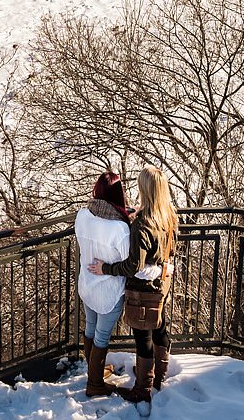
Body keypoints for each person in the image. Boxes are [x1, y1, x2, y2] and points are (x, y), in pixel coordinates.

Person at [88, 165, 177, 403]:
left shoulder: (142, 224)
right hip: (162, 284)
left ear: (145, 189)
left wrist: (105, 268)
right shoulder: (168, 215)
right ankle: (160, 375)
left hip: (142, 290)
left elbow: (132, 266)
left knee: (143, 338)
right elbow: (171, 250)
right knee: (159, 326)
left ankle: (143, 388)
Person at [75, 170, 132, 397]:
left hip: (87, 285)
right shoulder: (120, 229)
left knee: (90, 328)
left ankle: (93, 370)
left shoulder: (82, 215)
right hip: (109, 291)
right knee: (101, 336)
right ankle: (95, 384)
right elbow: (130, 261)